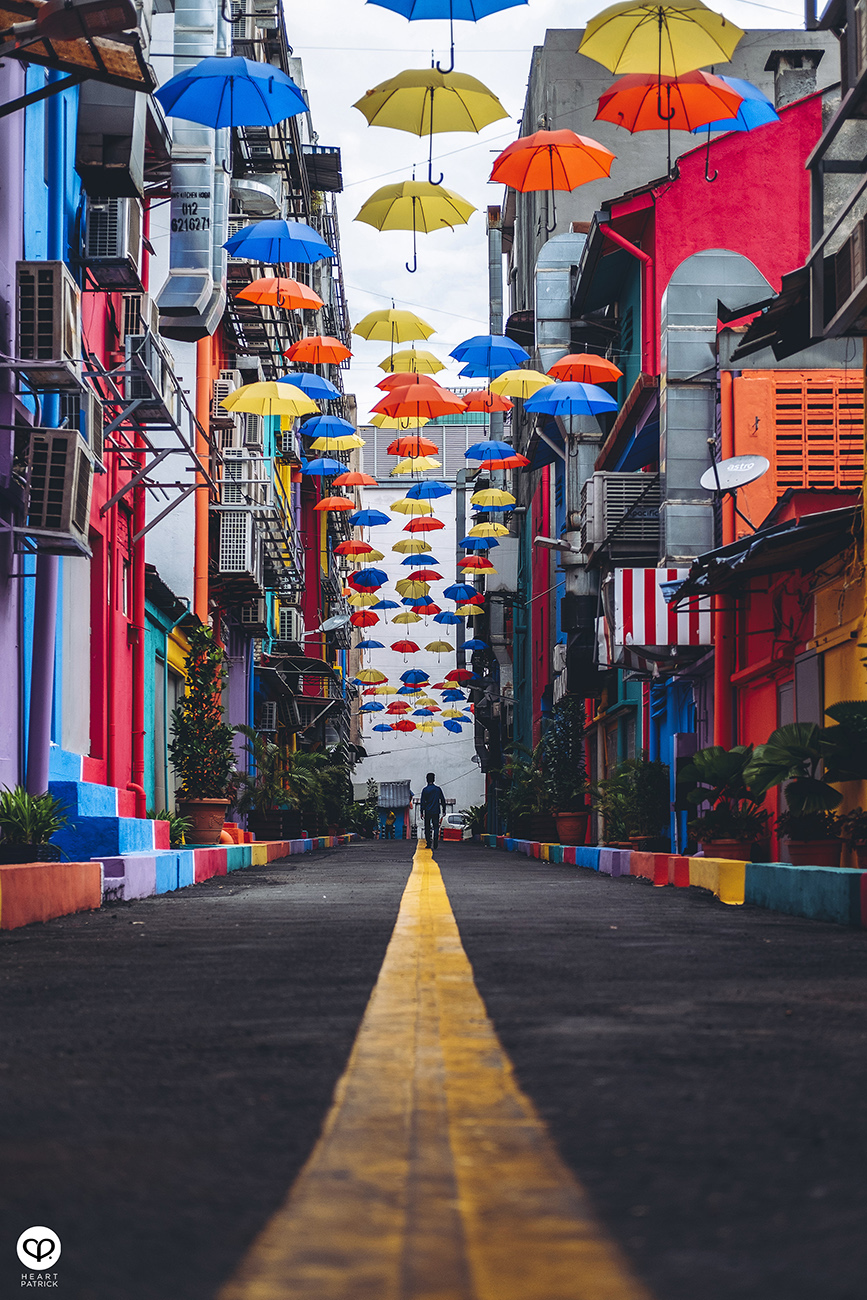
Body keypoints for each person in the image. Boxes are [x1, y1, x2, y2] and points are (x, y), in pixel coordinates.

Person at [419, 772, 446, 851]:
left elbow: (422, 802)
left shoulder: (425, 790)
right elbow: (442, 800)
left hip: (428, 811)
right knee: (436, 826)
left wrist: (421, 812)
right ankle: (435, 841)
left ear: (426, 780)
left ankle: (428, 843)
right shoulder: (438, 789)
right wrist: (444, 810)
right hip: (436, 811)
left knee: (427, 828)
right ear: (434, 779)